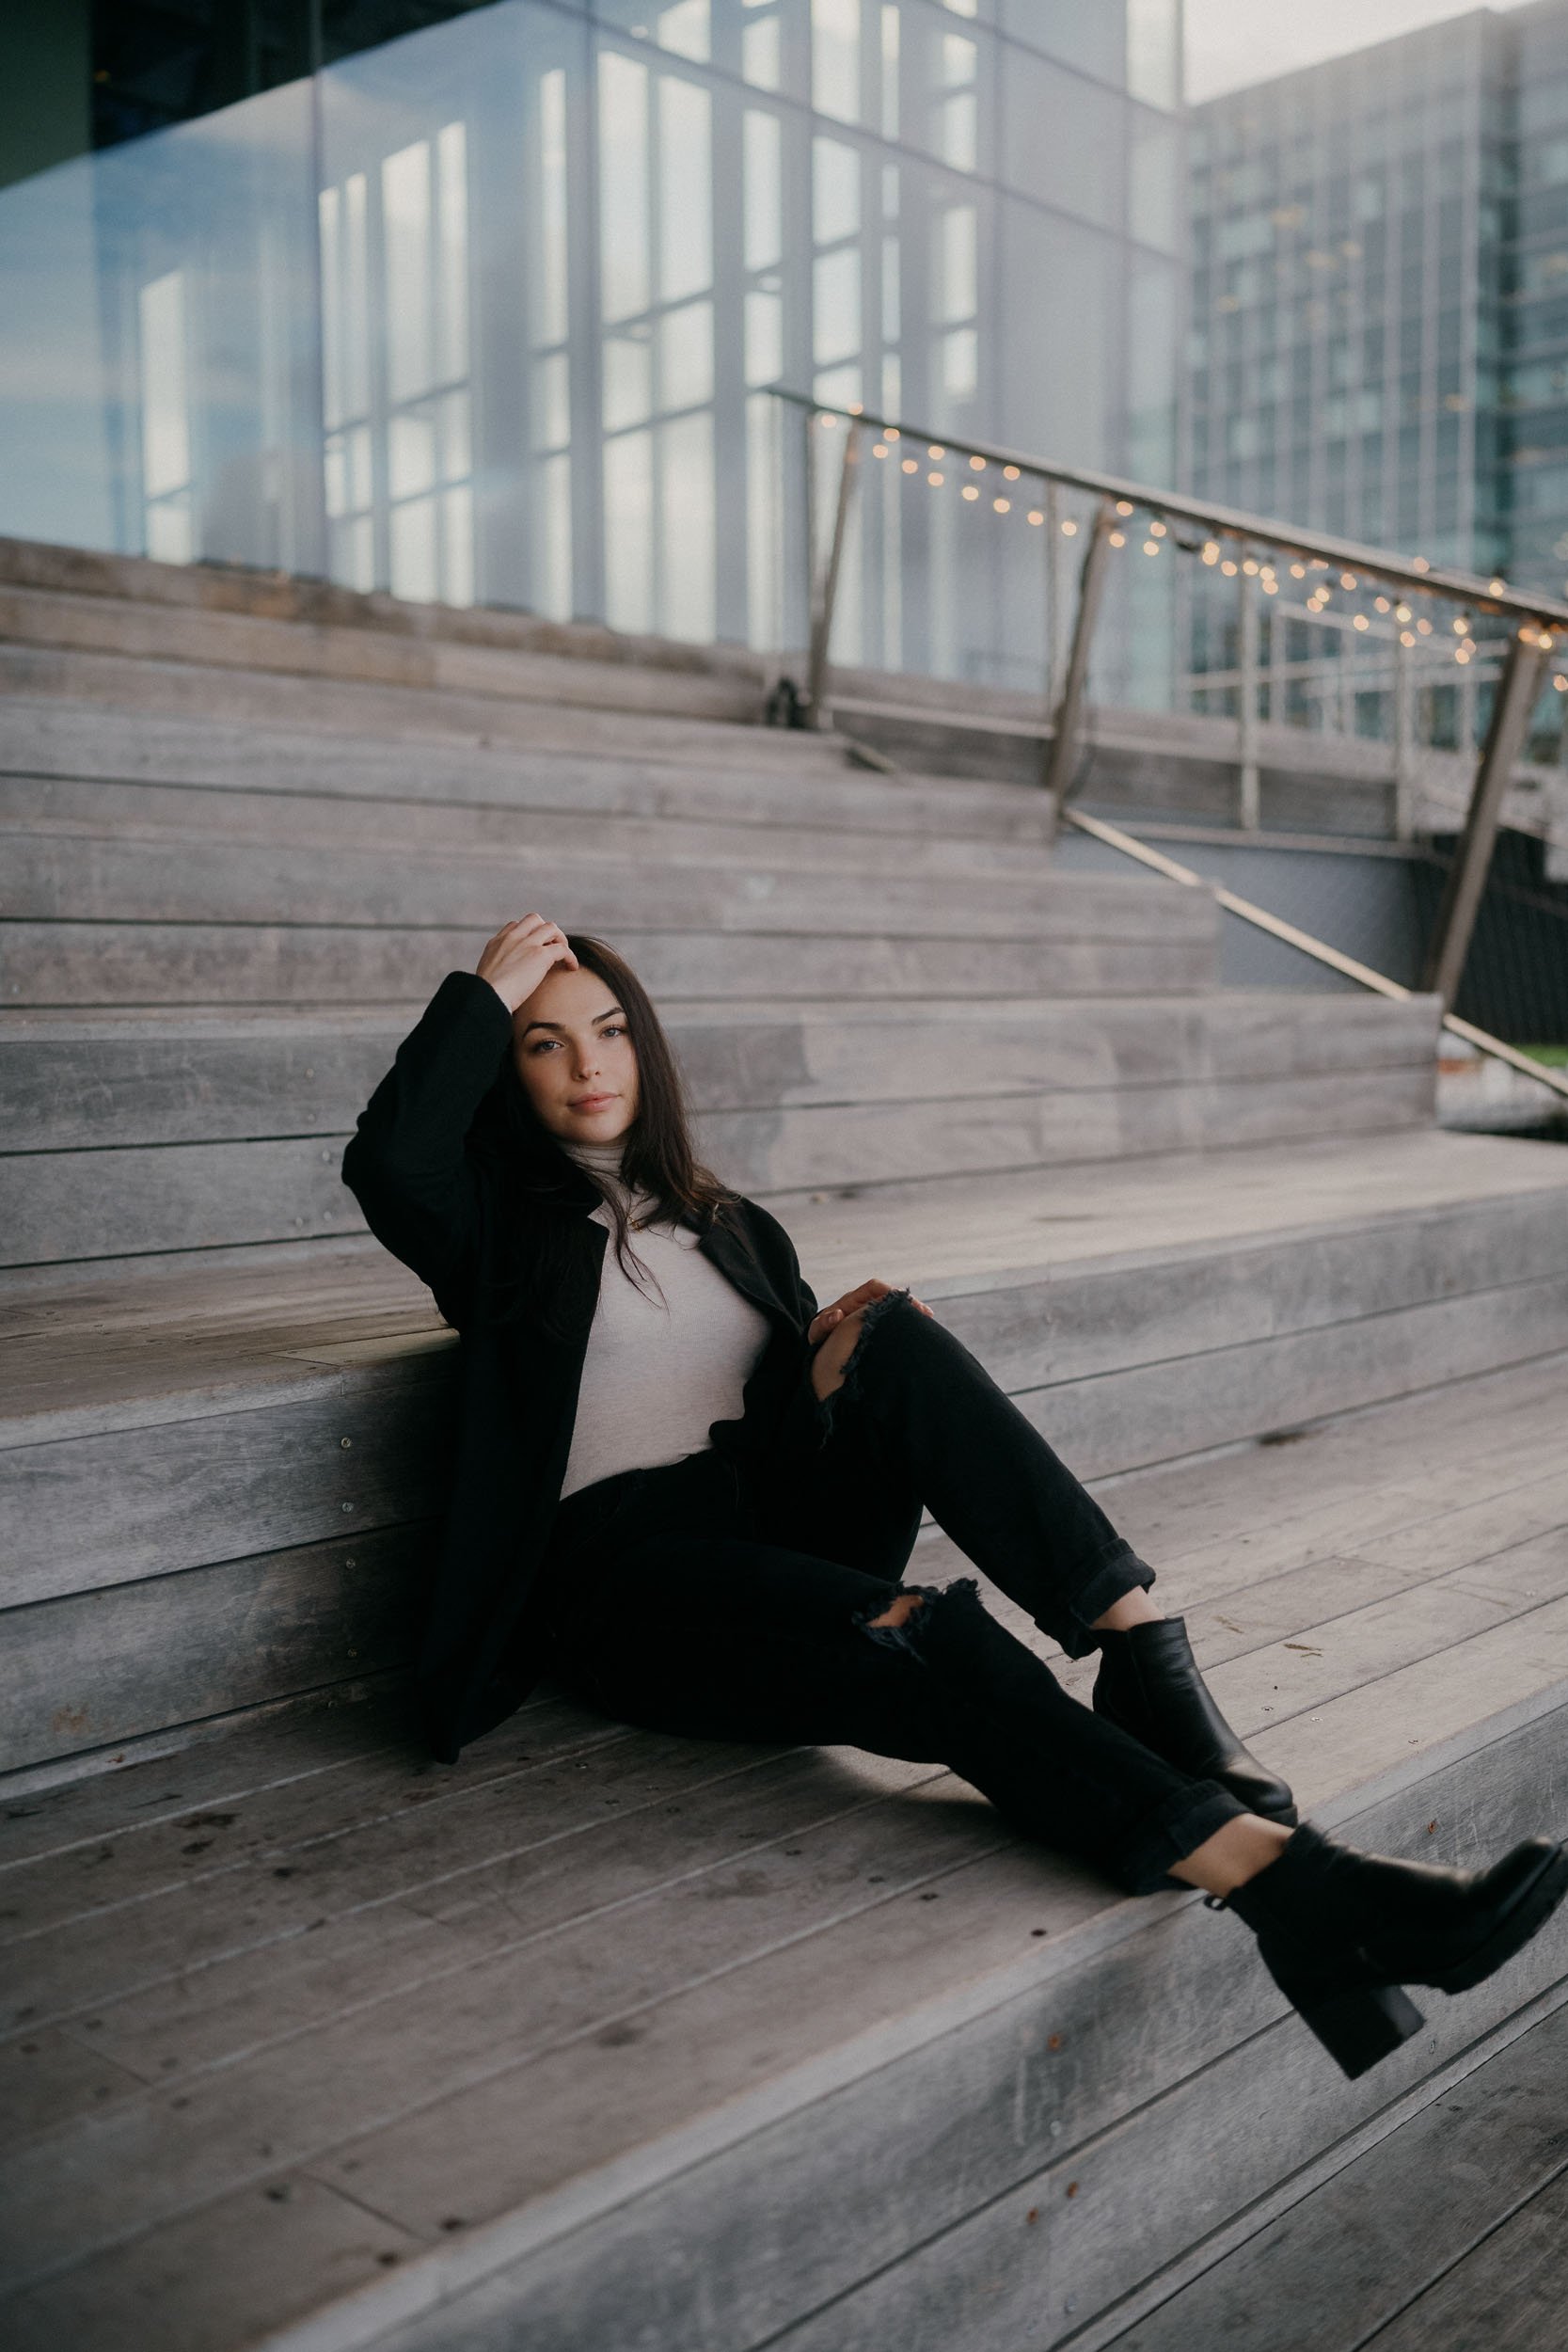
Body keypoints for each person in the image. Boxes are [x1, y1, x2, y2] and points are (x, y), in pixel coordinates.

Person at [342, 914, 1568, 2082]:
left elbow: (781, 1437)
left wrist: (828, 1374)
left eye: (607, 1030)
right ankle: (1300, 1891)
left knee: (889, 1328)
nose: (585, 1065)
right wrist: (487, 989)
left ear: (645, 1047)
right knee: (924, 1636)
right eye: (541, 1042)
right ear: (505, 1069)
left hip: (764, 1527)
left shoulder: (731, 1226)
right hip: (627, 1580)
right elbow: (388, 1158)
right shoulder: (493, 1229)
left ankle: (1138, 1648)